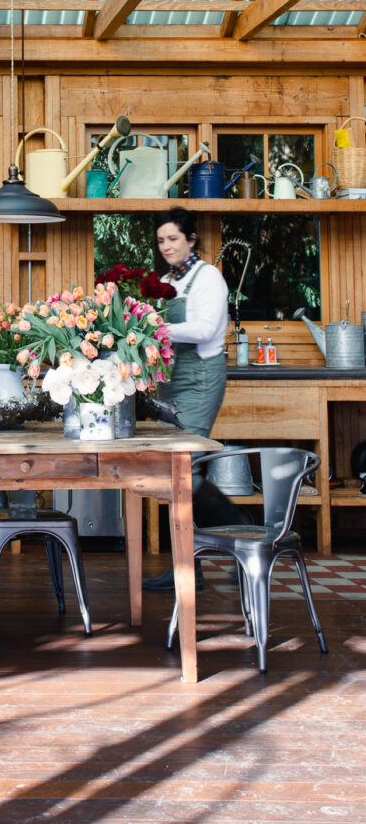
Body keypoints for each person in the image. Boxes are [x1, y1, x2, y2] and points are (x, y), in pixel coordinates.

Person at [143, 206, 249, 591]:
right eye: (161, 240)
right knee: (180, 474)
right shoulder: (167, 280)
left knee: (184, 471)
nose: (167, 246)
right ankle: (191, 567)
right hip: (172, 382)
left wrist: (155, 326)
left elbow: (205, 330)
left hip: (202, 380)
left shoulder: (209, 278)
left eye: (173, 238)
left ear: (191, 239)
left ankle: (240, 534)